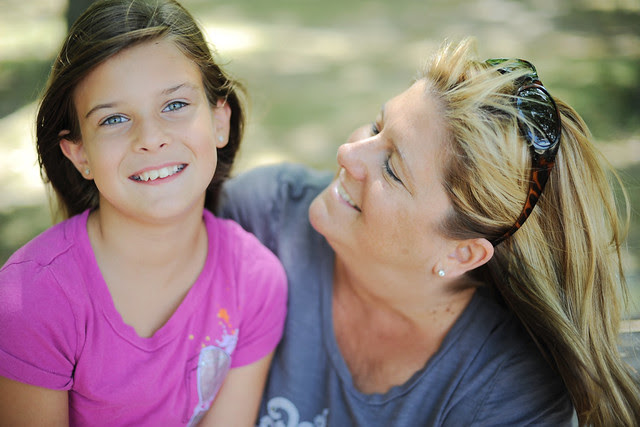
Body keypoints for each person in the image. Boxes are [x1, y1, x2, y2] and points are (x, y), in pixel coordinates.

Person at [218, 38, 640, 426]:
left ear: (461, 254)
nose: (347, 153)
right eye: (376, 127)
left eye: (392, 169)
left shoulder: (506, 394)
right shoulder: (262, 217)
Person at [0, 0, 287, 425]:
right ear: (80, 154)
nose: (151, 138)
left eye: (174, 105)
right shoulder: (32, 299)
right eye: (114, 119)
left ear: (219, 121)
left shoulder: (255, 281)